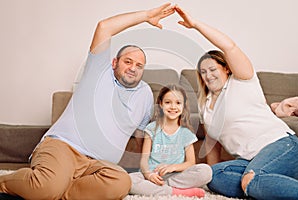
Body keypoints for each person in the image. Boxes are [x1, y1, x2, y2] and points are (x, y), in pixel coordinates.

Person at [0, 3, 175, 200]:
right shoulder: (99, 73)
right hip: (64, 147)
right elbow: (104, 27)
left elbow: (141, 137)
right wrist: (145, 15)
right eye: (128, 62)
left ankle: (60, 188)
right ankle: (6, 182)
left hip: (97, 166)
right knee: (45, 188)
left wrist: (149, 167)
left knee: (121, 183)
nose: (133, 68)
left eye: (139, 65)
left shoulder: (145, 94)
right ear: (114, 63)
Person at [175, 5, 298, 200]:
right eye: (203, 72)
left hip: (280, 145)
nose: (208, 75)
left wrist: (196, 25)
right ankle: (268, 183)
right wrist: (211, 170)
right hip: (249, 160)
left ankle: (258, 181)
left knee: (252, 179)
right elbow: (212, 143)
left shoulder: (242, 82)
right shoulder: (205, 105)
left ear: (226, 68)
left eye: (212, 69)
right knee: (213, 177)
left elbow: (230, 47)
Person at [129, 84, 212, 198]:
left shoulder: (186, 133)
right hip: (152, 175)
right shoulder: (151, 129)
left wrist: (172, 167)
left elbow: (190, 163)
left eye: (178, 103)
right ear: (161, 104)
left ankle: (161, 188)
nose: (173, 107)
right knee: (129, 180)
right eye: (168, 102)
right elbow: (144, 159)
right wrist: (148, 175)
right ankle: (177, 192)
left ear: (183, 106)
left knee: (206, 171)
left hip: (176, 176)